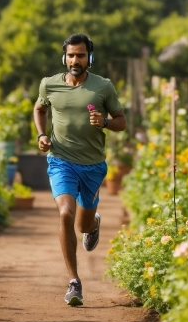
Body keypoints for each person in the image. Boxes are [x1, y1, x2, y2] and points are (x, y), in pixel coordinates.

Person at [33, 33, 127, 306]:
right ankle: (74, 281)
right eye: (71, 55)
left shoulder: (103, 87)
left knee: (82, 222)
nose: (76, 60)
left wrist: (105, 123)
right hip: (60, 159)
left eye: (81, 55)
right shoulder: (49, 85)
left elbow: (122, 121)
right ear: (65, 57)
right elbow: (39, 109)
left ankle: (93, 223)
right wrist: (41, 136)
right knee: (65, 213)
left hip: (93, 166)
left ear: (90, 58)